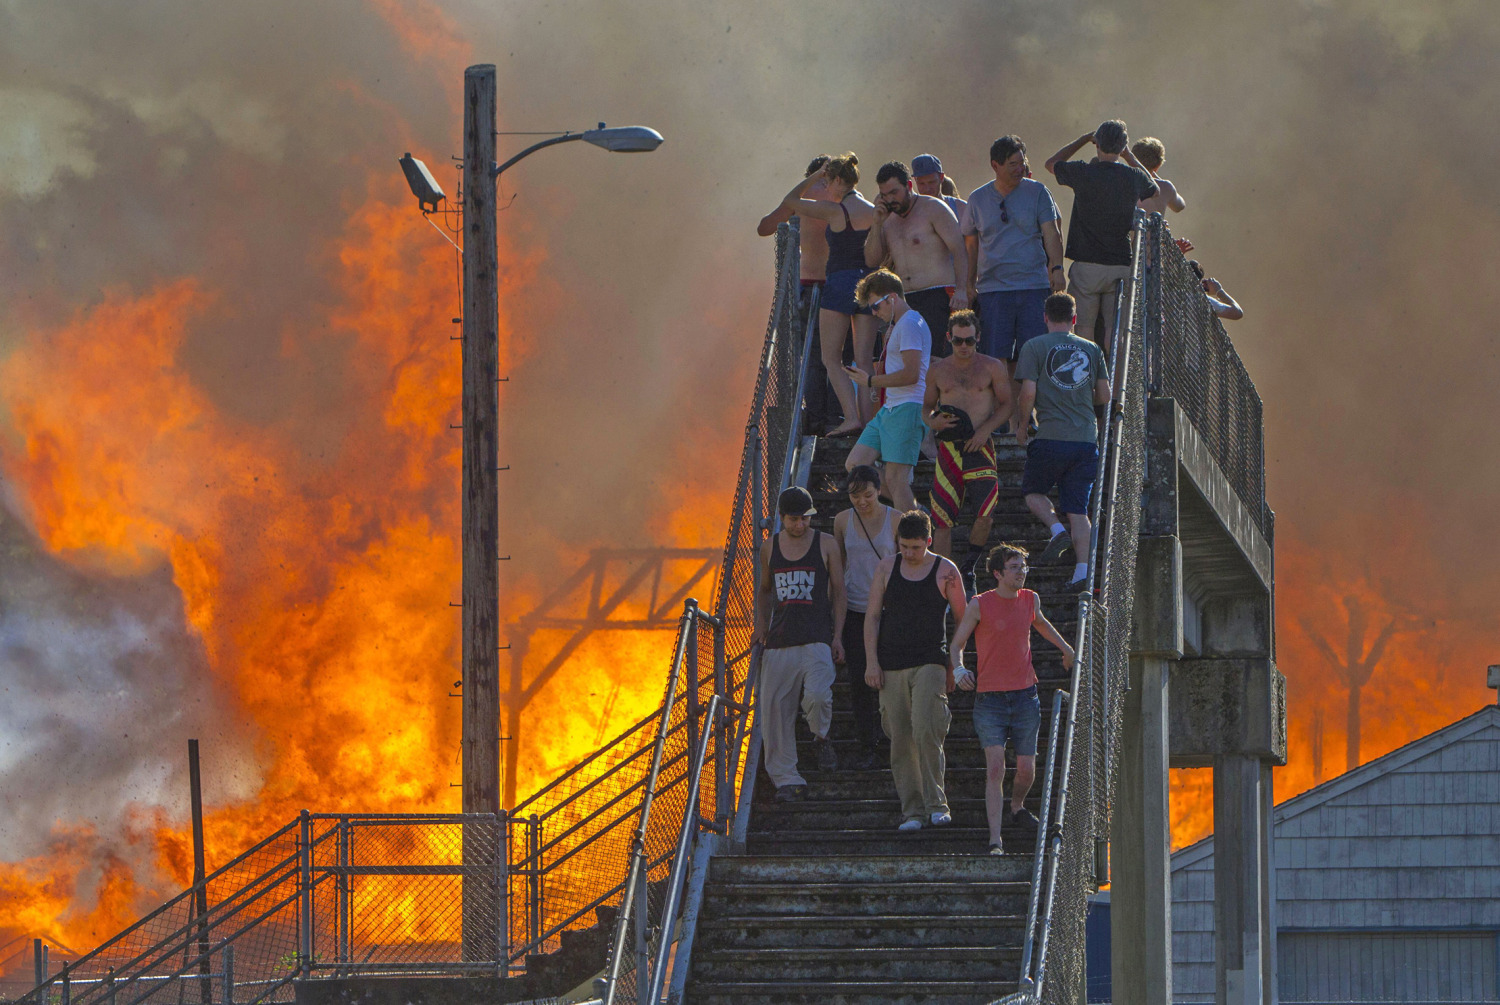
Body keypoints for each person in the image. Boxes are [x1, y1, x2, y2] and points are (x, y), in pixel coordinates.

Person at [952, 543, 1075, 854]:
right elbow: (957, 643)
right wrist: (958, 669)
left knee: (1026, 769)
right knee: (995, 767)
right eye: (1015, 568)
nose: (1022, 572)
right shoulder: (980, 604)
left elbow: (1042, 624)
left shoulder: (1030, 599)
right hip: (990, 699)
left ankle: (1017, 805)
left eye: (1024, 567)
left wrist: (1067, 649)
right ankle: (996, 839)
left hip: (1024, 696)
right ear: (998, 573)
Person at [863, 510, 968, 831]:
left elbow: (963, 621)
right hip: (891, 662)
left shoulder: (945, 571)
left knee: (926, 728)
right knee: (900, 738)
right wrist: (871, 662)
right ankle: (913, 811)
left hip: (930, 660)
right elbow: (873, 618)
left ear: (929, 542)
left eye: (916, 547)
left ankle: (938, 804)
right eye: (904, 547)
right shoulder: (886, 567)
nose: (909, 553)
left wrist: (955, 665)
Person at [753, 486, 848, 801]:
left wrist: (837, 635)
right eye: (794, 519)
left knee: (819, 695)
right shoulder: (770, 548)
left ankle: (821, 738)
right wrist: (760, 626)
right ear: (782, 518)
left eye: (806, 518)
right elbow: (765, 590)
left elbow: (839, 590)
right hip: (780, 639)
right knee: (775, 710)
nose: (801, 525)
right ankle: (787, 780)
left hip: (816, 636)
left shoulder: (826, 544)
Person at [1014, 293, 1111, 592]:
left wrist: (1022, 425)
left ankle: (1056, 531)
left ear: (1045, 317)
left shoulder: (1034, 347)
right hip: (1085, 440)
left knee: (1033, 492)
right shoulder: (1092, 349)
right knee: (1078, 510)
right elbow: (1105, 396)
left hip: (1051, 436)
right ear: (1074, 319)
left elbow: (1028, 392)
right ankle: (1082, 573)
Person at [779, 154, 880, 432]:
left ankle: (851, 417)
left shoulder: (834, 211)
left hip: (840, 285)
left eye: (828, 183)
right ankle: (869, 423)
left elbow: (790, 201)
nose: (826, 190)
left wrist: (811, 176)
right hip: (870, 286)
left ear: (838, 180)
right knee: (863, 360)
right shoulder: (873, 210)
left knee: (830, 358)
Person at [962, 135, 1066, 392]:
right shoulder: (977, 199)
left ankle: (1027, 415)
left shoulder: (1038, 192)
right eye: (1012, 163)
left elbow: (1052, 232)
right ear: (995, 165)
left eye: (1022, 162)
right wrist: (968, 283)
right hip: (993, 290)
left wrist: (1057, 269)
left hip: (1033, 286)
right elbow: (971, 245)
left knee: (1032, 354)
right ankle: (1004, 416)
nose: (1019, 168)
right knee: (996, 357)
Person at [1044, 120, 1158, 347]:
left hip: (1087, 266)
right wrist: (1128, 156)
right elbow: (1153, 186)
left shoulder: (1084, 172)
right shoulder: (1133, 176)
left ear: (1097, 144)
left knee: (1084, 331)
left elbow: (1051, 163)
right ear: (1122, 145)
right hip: (1120, 264)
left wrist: (1083, 139)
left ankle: (1088, 380)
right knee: (1114, 332)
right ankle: (1115, 381)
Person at [922, 310, 1011, 589]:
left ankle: (969, 566)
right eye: (958, 341)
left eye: (969, 341)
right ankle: (944, 578)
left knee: (985, 510)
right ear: (949, 338)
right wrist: (932, 420)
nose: (964, 347)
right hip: (949, 447)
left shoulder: (993, 366)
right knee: (942, 515)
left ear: (978, 338)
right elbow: (926, 408)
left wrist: (986, 431)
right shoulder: (937, 369)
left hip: (979, 445)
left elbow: (1007, 404)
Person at [841, 270, 931, 513]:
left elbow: (912, 374)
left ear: (892, 297)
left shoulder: (910, 324)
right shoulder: (904, 324)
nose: (874, 312)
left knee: (896, 478)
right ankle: (916, 512)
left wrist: (870, 381)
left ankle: (915, 528)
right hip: (891, 408)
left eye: (876, 306)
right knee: (856, 464)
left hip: (906, 407)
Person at [863, 160, 970, 358]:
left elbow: (959, 250)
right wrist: (877, 224)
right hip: (905, 300)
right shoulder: (887, 219)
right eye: (884, 195)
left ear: (909, 186)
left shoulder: (933, 208)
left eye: (894, 192)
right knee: (908, 360)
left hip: (937, 294)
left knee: (936, 359)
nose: (890, 199)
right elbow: (872, 260)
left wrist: (962, 289)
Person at [833, 464, 898, 768]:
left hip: (888, 611)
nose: (862, 502)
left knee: (891, 678)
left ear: (879, 491)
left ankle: (893, 739)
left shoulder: (895, 520)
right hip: (856, 609)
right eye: (854, 496)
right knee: (860, 680)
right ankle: (867, 745)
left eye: (868, 495)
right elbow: (839, 566)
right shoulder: (842, 521)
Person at [1131, 137, 1187, 216]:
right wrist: (1157, 177)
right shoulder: (1165, 187)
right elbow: (1179, 206)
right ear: (1158, 166)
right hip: (1152, 227)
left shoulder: (1122, 181)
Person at [912, 152, 967, 223]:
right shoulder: (911, 213)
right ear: (915, 180)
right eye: (922, 184)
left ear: (941, 177)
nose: (927, 188)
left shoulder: (961, 208)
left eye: (931, 182)